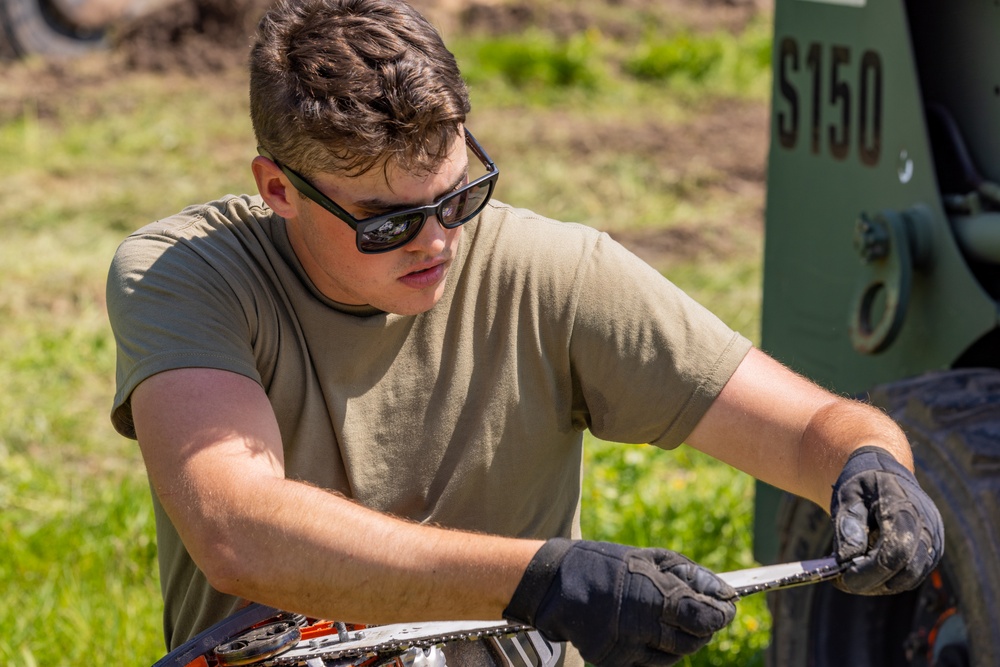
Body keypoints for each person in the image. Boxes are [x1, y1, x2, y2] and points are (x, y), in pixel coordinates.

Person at [105, 0, 945, 665]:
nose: (437, 240)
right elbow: (237, 528)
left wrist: (870, 462)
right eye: (386, 223)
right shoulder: (186, 273)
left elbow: (808, 427)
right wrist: (541, 579)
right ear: (277, 189)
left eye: (457, 195)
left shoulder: (553, 269)